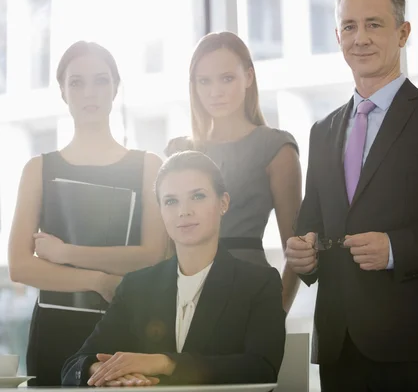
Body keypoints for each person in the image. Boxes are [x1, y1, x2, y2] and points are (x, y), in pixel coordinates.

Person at [286, 0, 418, 390]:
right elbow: (312, 223)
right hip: (340, 347)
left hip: (417, 348)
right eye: (350, 27)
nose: (361, 38)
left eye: (374, 24)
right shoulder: (323, 131)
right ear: (338, 37)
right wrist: (304, 254)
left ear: (403, 33)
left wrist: (396, 249)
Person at [7, 41, 169, 386]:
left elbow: (152, 255)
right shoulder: (38, 169)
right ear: (63, 92)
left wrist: (66, 255)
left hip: (125, 329)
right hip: (54, 331)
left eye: (100, 80)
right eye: (76, 82)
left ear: (115, 89)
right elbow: (20, 266)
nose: (89, 92)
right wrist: (98, 281)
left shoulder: (148, 166)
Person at [62, 151, 286, 387]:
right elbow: (74, 365)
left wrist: (165, 363)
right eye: (171, 201)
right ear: (160, 210)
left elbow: (262, 369)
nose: (184, 211)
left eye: (197, 196)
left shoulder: (259, 283)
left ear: (223, 203)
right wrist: (101, 370)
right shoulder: (136, 286)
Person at [165, 32, 302, 313]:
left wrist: (277, 313)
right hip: (183, 295)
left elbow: (297, 249)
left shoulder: (276, 147)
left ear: (248, 77)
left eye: (227, 78)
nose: (215, 91)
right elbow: (165, 245)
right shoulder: (178, 151)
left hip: (248, 294)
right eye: (205, 81)